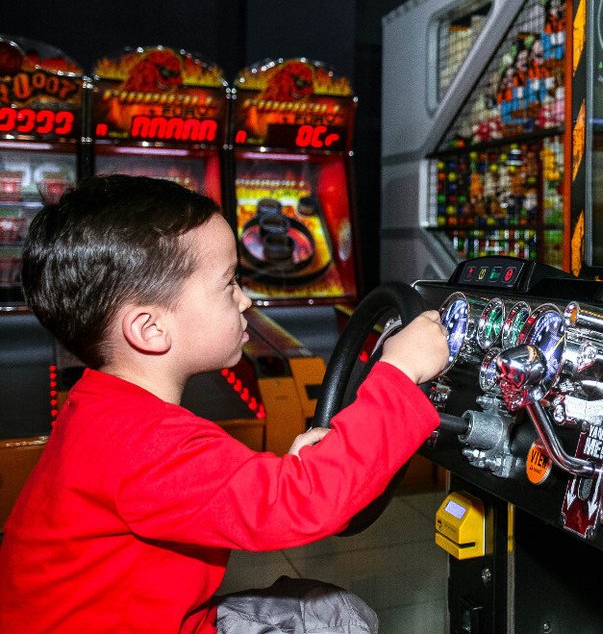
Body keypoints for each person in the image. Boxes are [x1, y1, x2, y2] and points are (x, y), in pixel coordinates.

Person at [0, 174, 449, 632]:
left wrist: (289, 472)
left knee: (329, 610)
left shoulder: (104, 408)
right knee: (338, 620)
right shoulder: (147, 444)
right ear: (150, 329)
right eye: (229, 283)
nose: (245, 300)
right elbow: (306, 504)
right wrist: (400, 373)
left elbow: (227, 491)